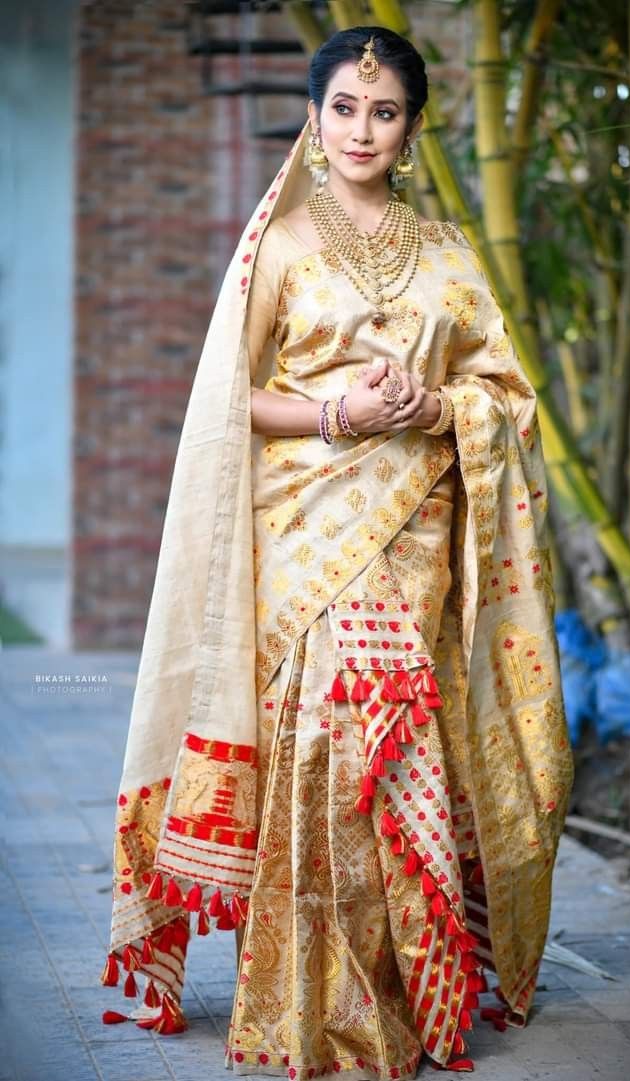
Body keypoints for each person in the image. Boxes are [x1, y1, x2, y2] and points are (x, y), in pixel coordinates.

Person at [100, 25, 575, 1081]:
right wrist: (337, 411)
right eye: (346, 109)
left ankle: (406, 993)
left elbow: (506, 399)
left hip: (415, 539)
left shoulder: (451, 254)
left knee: (397, 753)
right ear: (315, 119)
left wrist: (436, 402)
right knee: (320, 746)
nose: (363, 128)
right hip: (307, 538)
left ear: (411, 129)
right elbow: (231, 400)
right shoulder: (279, 245)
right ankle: (300, 1004)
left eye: (387, 111)